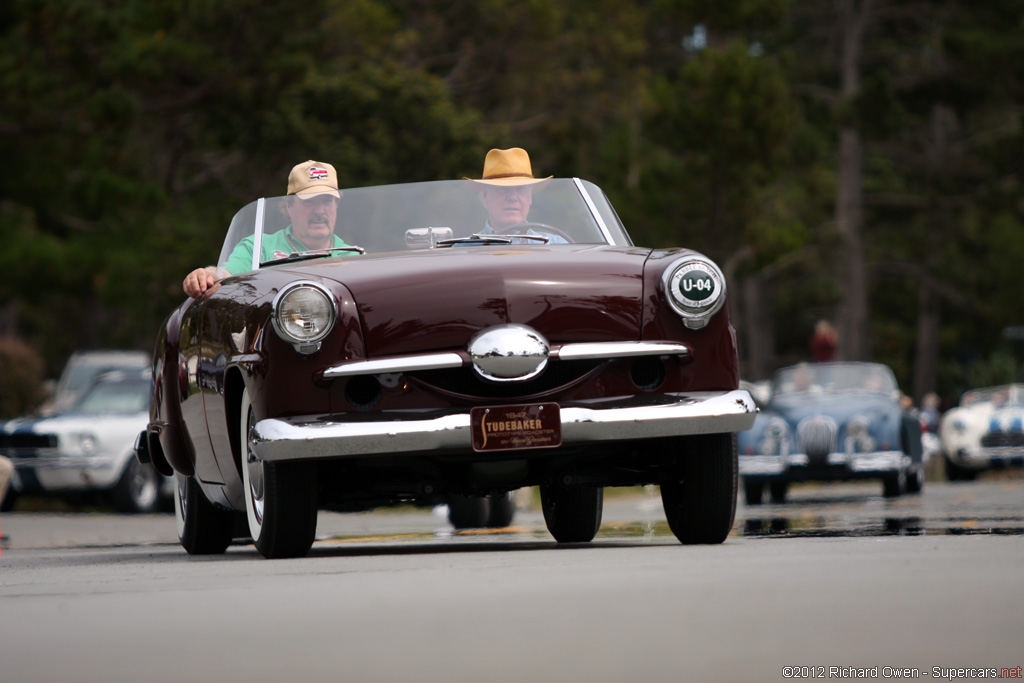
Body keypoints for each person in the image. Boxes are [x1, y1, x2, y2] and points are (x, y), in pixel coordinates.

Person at [183, 160, 351, 298]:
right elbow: (225, 277)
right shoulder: (258, 248)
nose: (320, 211)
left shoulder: (354, 257)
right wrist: (205, 277)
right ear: (289, 205)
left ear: (337, 205)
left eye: (327, 201)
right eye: (309, 201)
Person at [467, 147, 567, 244]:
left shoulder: (557, 245)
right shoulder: (463, 250)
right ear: (485, 196)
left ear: (530, 197)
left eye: (521, 189)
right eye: (503, 189)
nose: (513, 197)